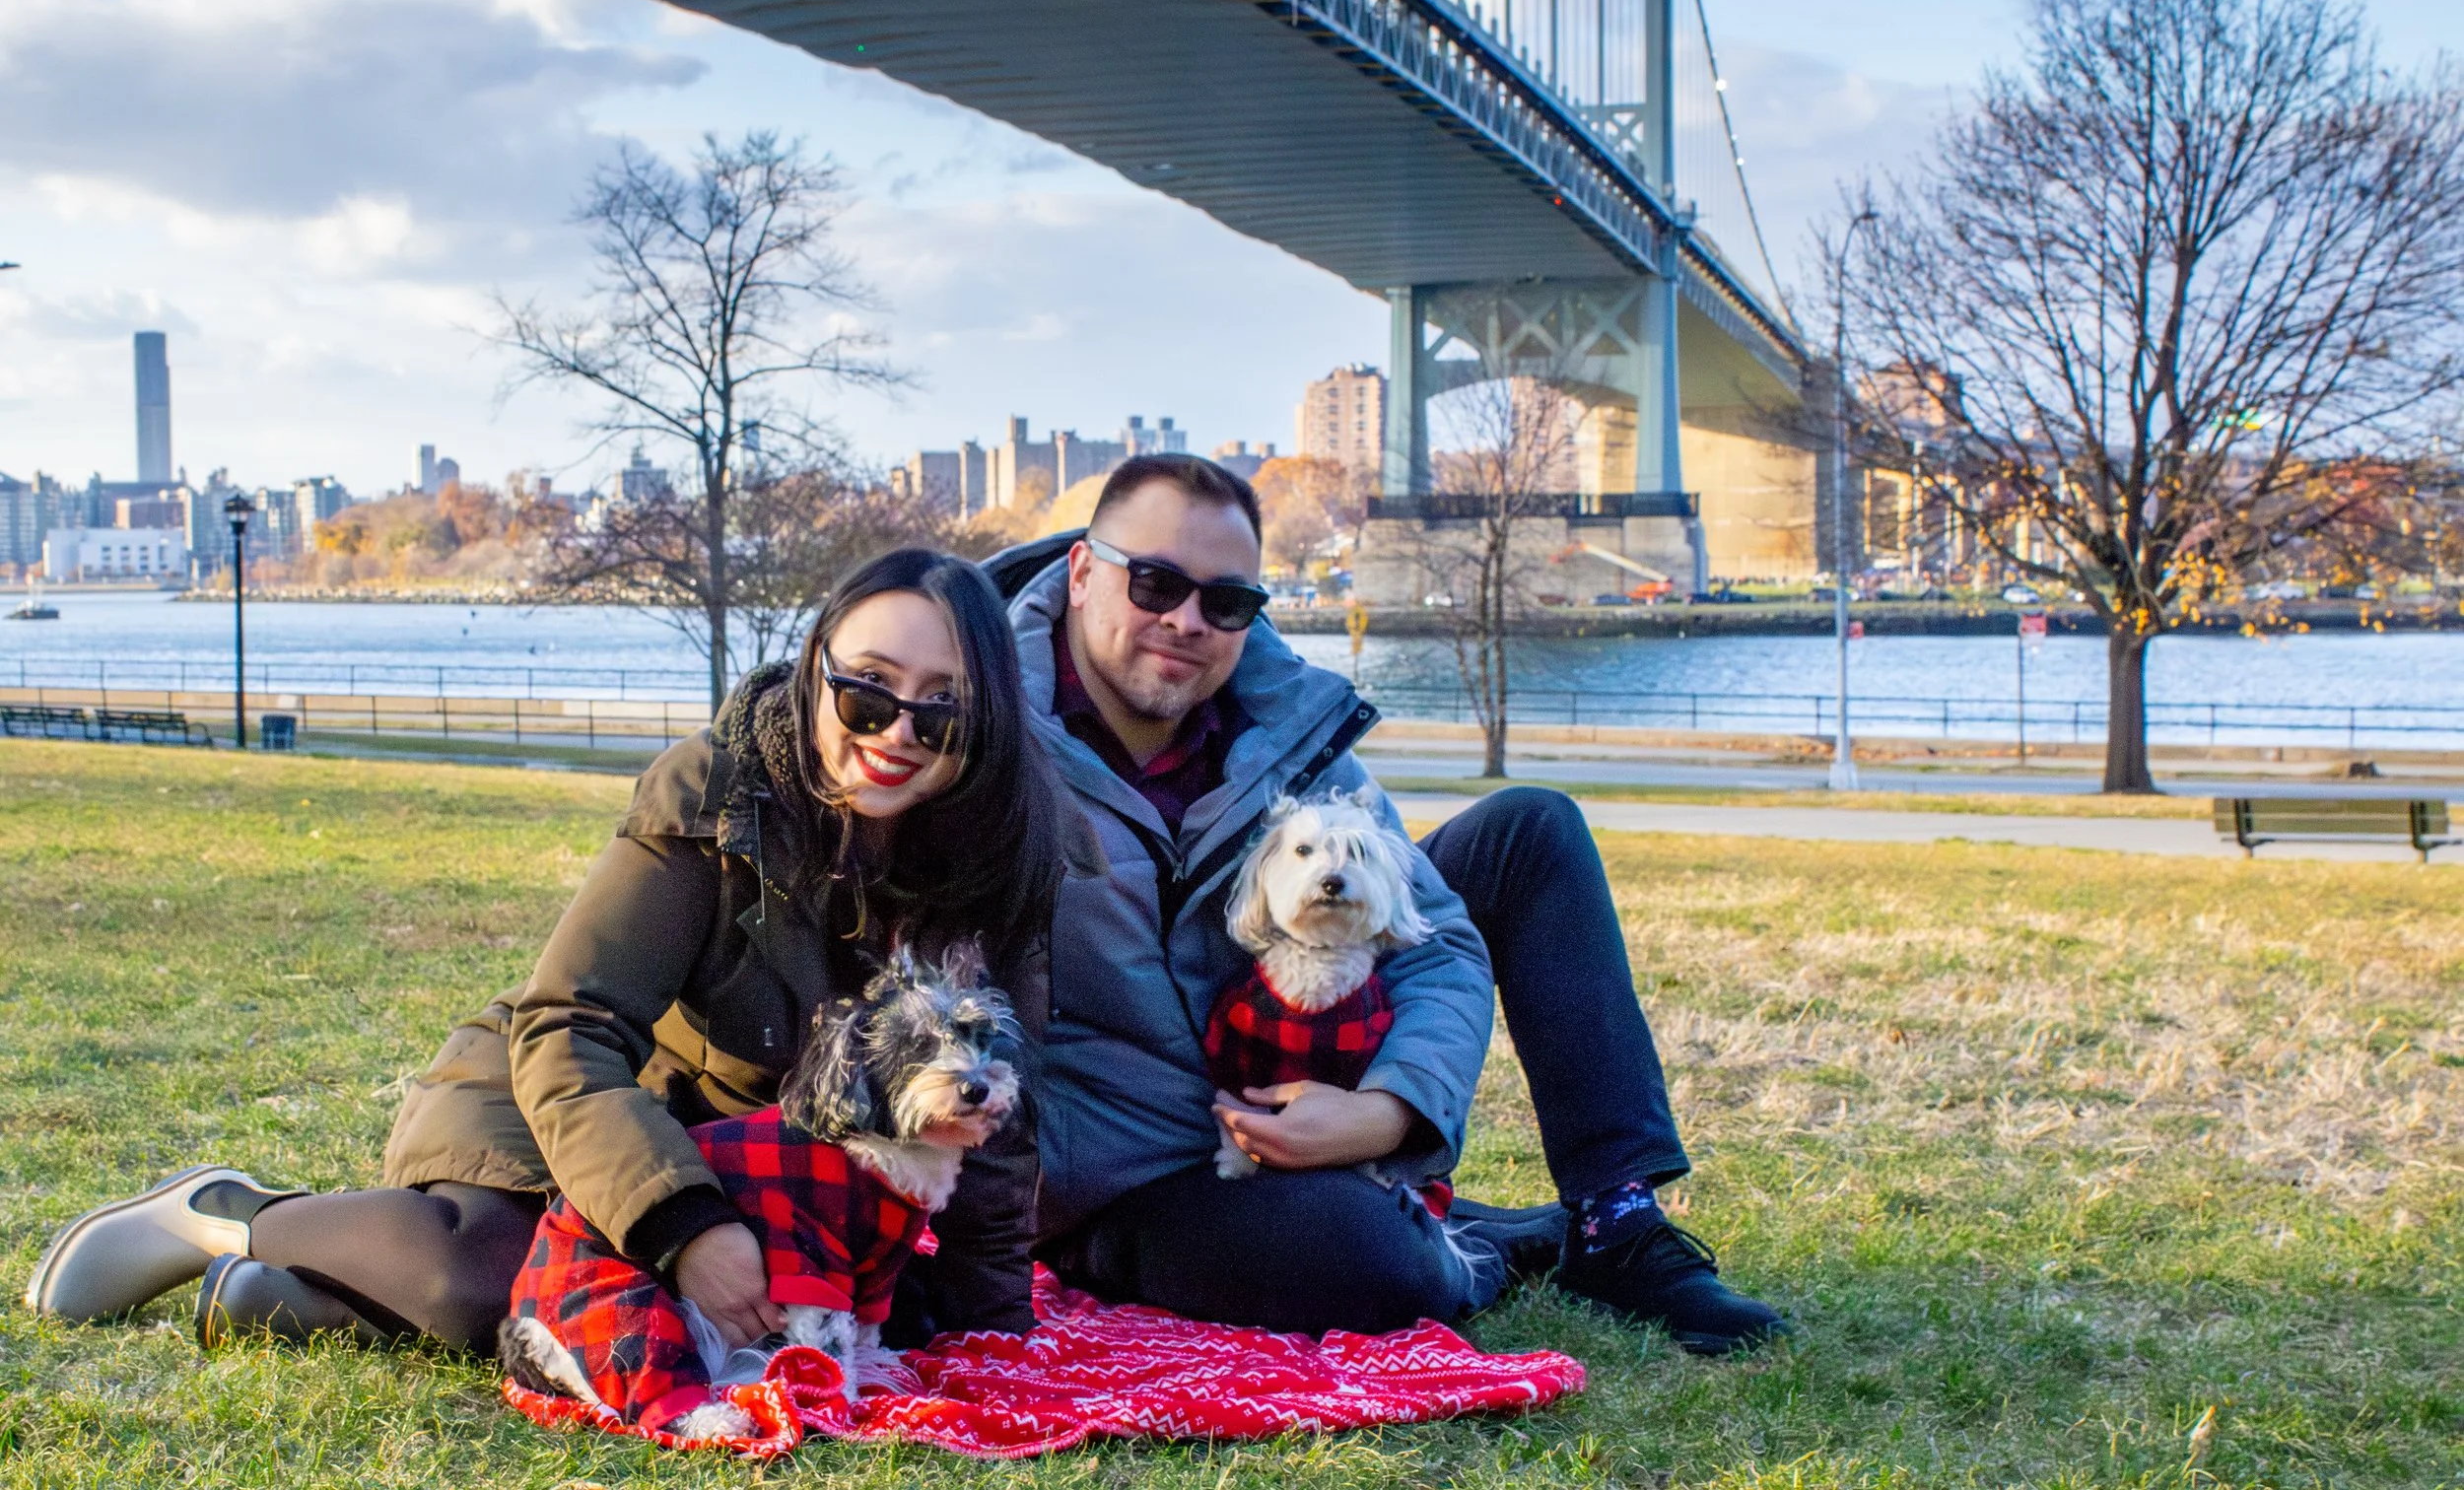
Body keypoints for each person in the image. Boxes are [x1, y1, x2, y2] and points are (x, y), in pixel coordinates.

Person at [26, 549, 1075, 1353]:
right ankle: (228, 1216)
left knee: (873, 1315)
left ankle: (295, 1300)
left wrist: (988, 1317)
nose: (895, 731)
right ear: (815, 675)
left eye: (941, 713)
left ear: (982, 725)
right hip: (576, 1098)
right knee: (495, 1283)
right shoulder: (716, 794)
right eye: (867, 692)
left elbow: (998, 1098)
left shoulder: (1005, 853)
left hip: (769, 1174)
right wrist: (684, 1227)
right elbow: (569, 1023)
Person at [997, 455, 1787, 1353]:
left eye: (1227, 601)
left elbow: (1437, 938)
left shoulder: (1286, 726)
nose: (1186, 620)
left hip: (1305, 1056)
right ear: (1083, 571)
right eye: (1154, 582)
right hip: (1133, 1170)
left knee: (1529, 832)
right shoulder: (977, 733)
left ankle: (1616, 1220)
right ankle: (1472, 1243)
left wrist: (1387, 1111)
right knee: (1376, 1264)